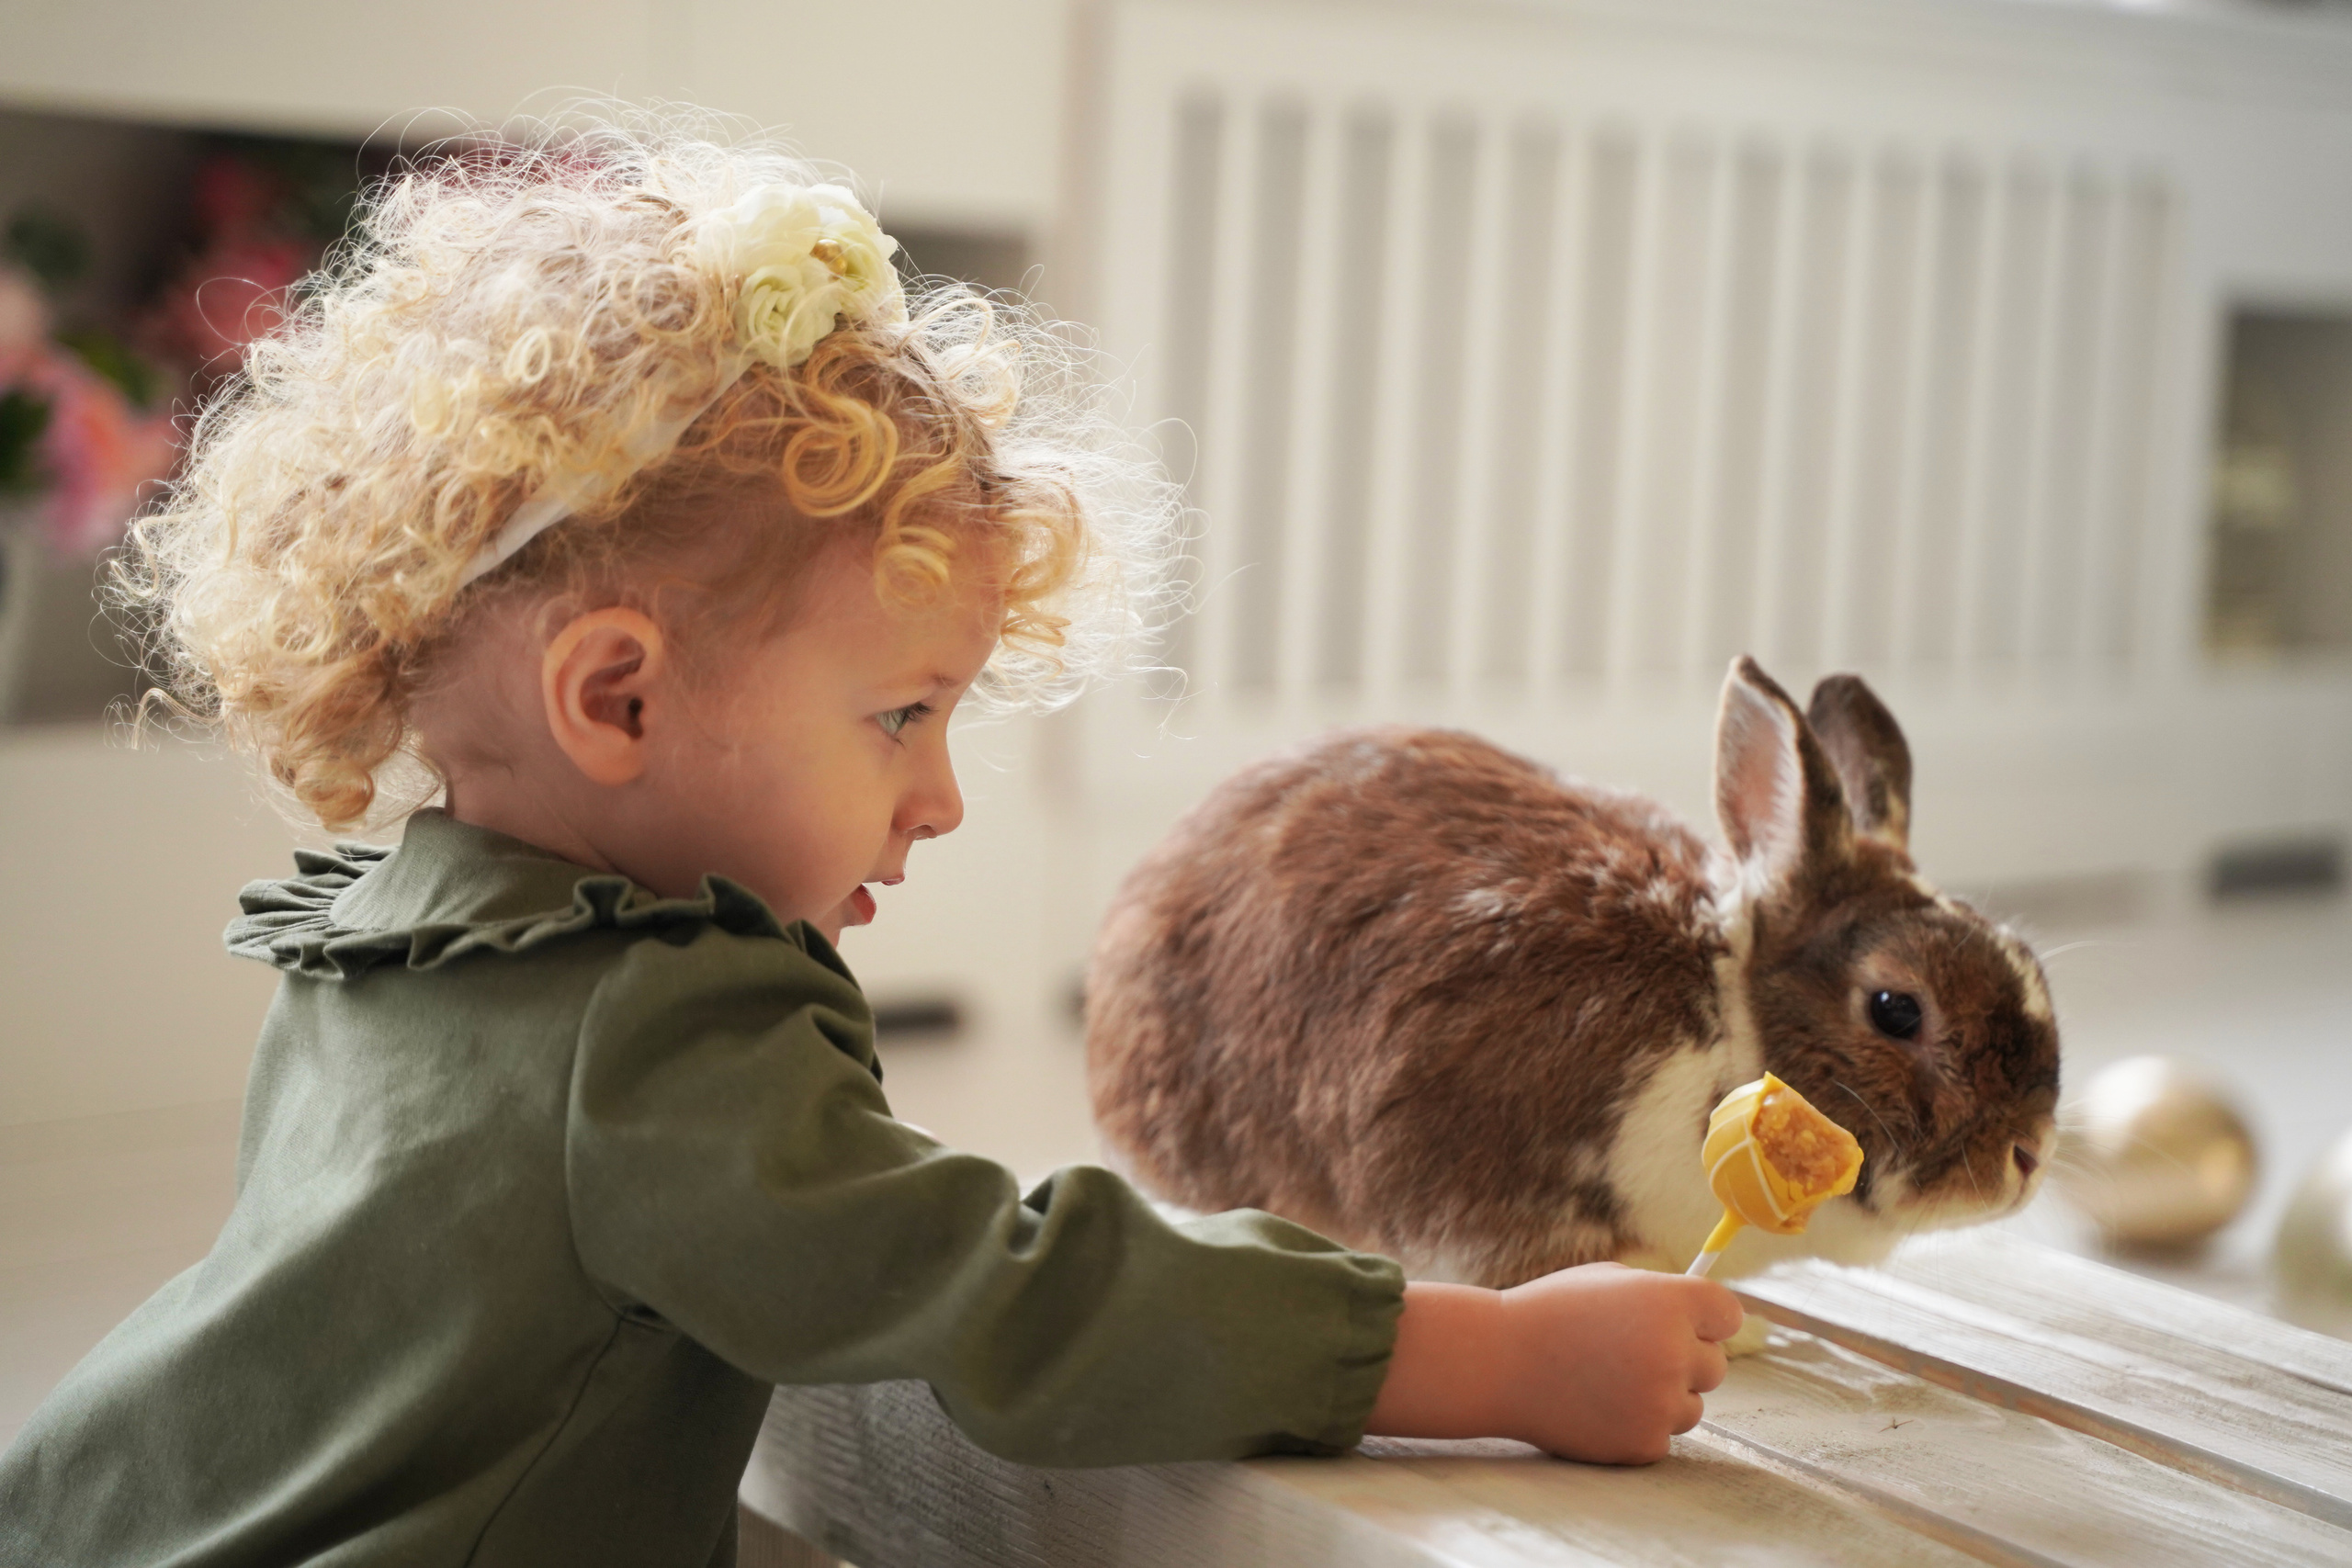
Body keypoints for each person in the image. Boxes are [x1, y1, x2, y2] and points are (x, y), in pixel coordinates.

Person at [0, 112, 1740, 1567]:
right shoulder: (659, 1030)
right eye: (902, 713)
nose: (943, 793)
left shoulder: (387, 935)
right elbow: (1018, 1302)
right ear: (618, 700)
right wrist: (1491, 1353)